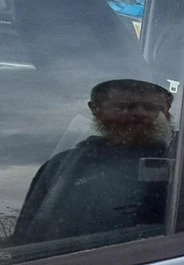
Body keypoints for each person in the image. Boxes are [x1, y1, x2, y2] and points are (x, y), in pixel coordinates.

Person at [12, 78, 175, 245]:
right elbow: (26, 236)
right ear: (96, 109)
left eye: (152, 108)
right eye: (126, 106)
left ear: (167, 113)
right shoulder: (61, 166)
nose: (140, 114)